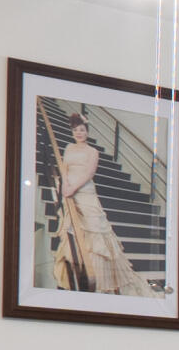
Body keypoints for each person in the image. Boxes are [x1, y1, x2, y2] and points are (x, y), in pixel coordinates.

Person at [52, 116, 153, 297]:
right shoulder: (68, 147)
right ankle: (78, 275)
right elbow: (64, 168)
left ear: (87, 132)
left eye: (82, 130)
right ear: (72, 132)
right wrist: (63, 186)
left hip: (85, 192)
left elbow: (89, 172)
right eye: (76, 130)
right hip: (69, 193)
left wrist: (73, 187)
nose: (79, 133)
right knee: (75, 233)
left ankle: (99, 280)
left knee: (95, 233)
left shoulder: (93, 151)